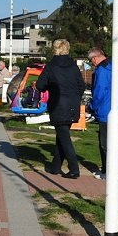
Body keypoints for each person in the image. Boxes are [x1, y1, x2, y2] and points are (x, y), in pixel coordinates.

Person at [36, 39, 86, 179]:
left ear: (55, 49)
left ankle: (74, 168)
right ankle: (55, 166)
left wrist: (49, 87)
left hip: (58, 105)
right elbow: (81, 86)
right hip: (72, 105)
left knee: (64, 138)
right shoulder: (73, 66)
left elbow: (40, 85)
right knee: (62, 136)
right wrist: (74, 97)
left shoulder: (51, 66)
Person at [86, 47, 111, 180]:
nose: (92, 64)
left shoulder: (101, 71)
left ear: (95, 58)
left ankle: (107, 171)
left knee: (104, 143)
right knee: (113, 143)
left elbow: (99, 92)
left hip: (105, 111)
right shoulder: (114, 68)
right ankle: (110, 169)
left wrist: (91, 107)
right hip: (116, 110)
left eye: (91, 61)